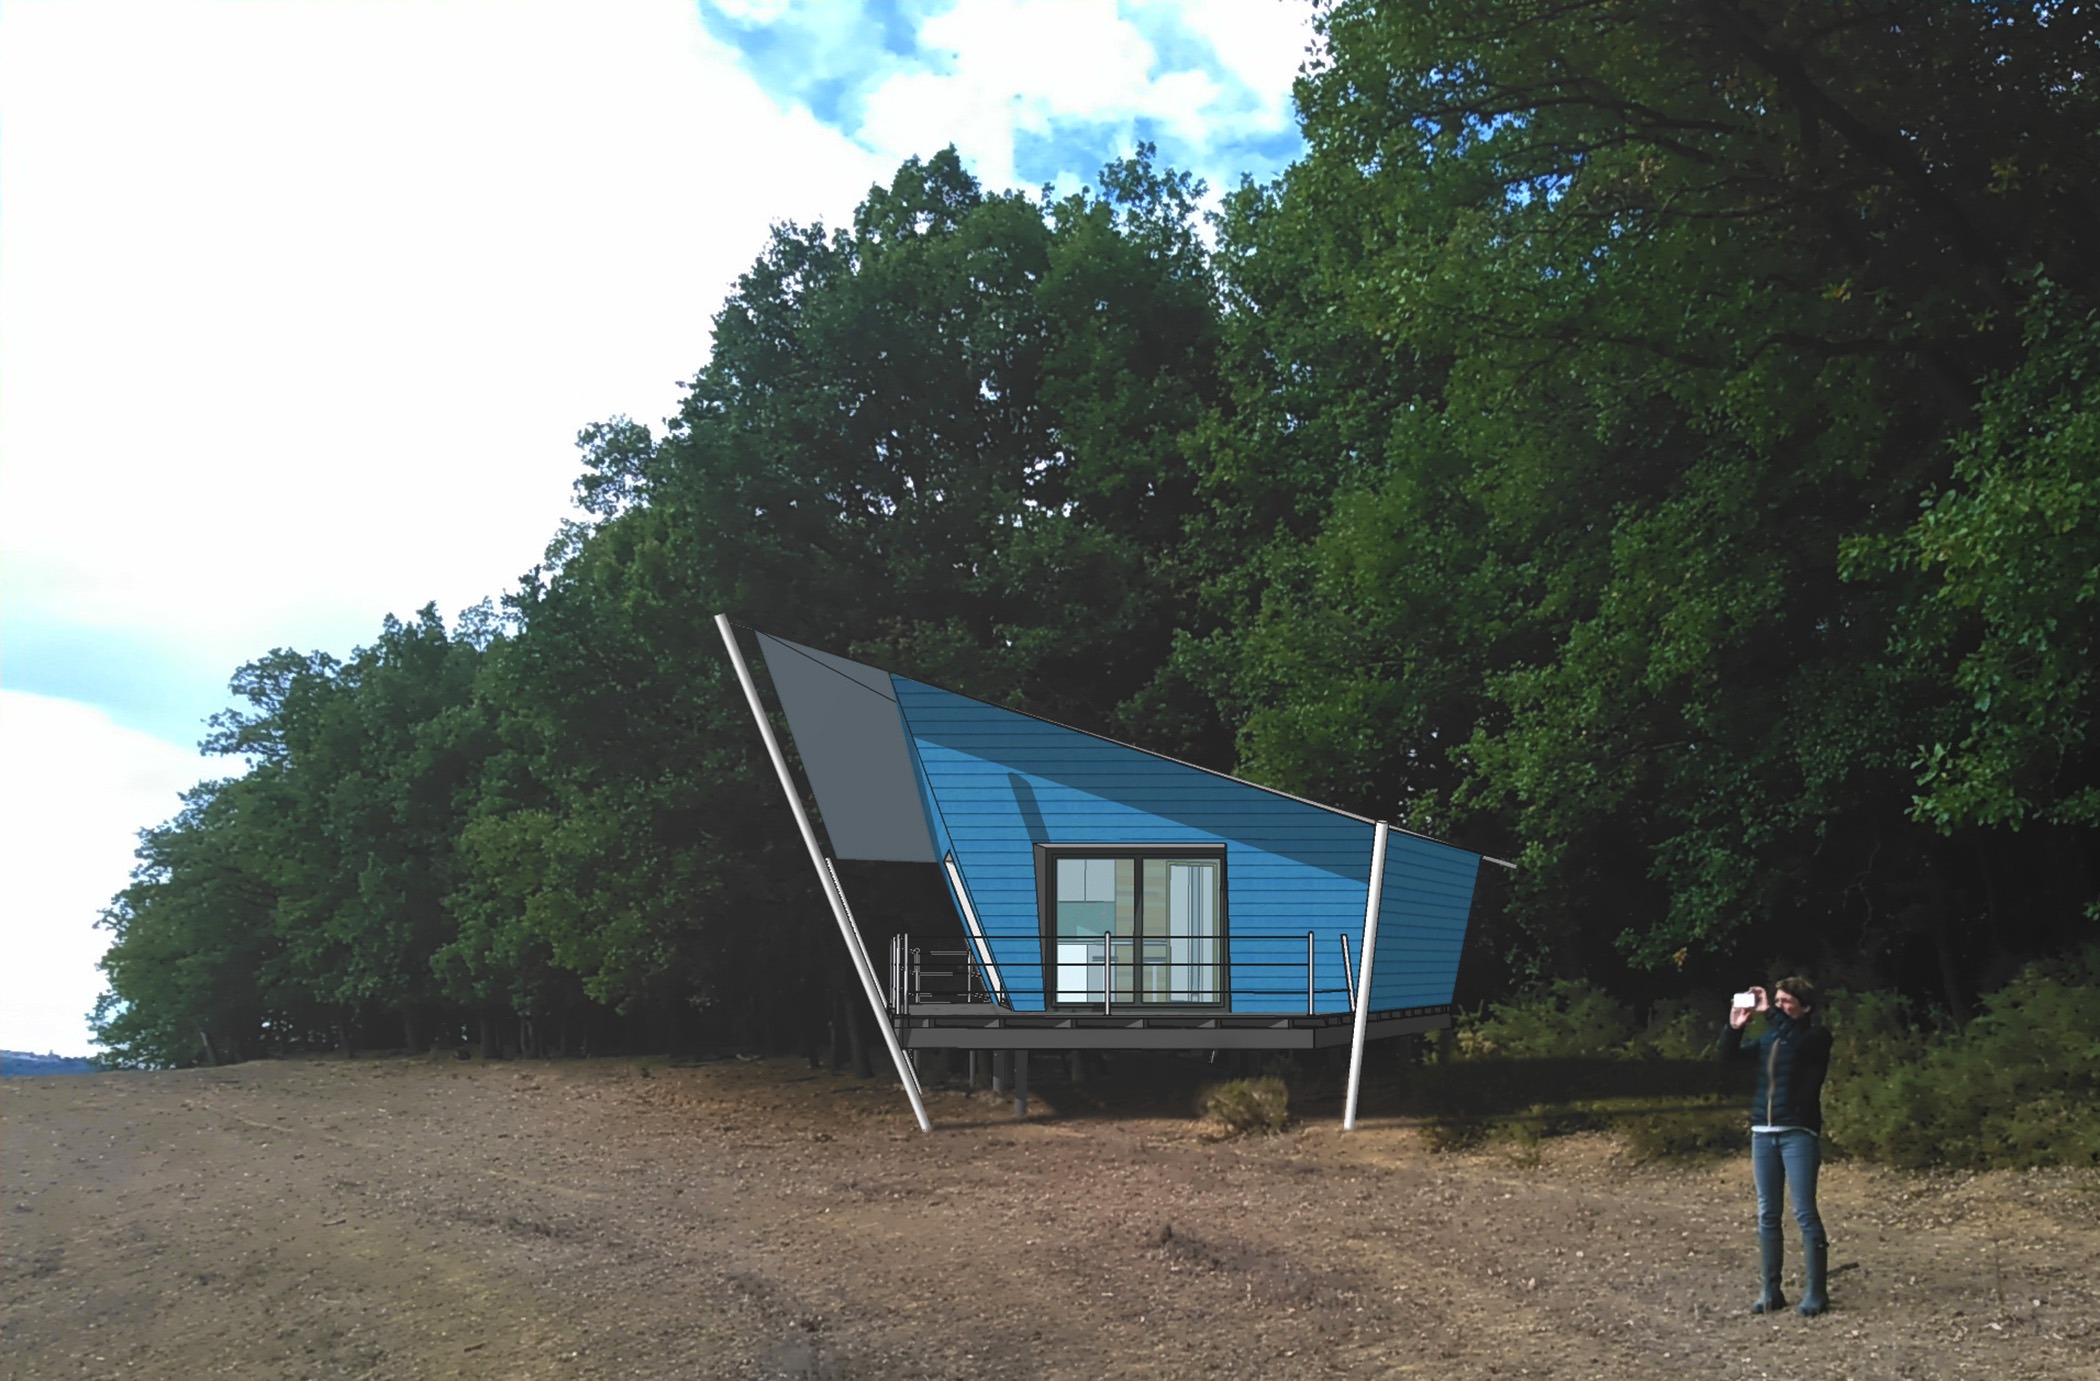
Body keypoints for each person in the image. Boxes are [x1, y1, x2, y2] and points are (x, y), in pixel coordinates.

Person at [1718, 976, 1834, 1317]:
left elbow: (1798, 1044)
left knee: (1804, 1212)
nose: (1780, 1007)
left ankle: (1816, 1293)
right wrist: (1735, 1027)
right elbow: (1727, 1060)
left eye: (1786, 1002)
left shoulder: (1816, 1037)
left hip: (1797, 1132)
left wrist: (1770, 1012)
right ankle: (1771, 1290)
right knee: (1768, 1213)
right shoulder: (1770, 1038)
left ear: (1806, 1007)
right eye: (1777, 1001)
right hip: (1762, 1132)